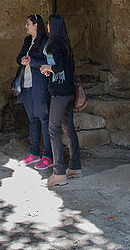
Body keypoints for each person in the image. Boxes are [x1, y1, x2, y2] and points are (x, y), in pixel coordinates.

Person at [40, 13, 81, 187]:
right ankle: (75, 167)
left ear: (53, 26)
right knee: (68, 128)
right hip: (68, 90)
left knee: (53, 129)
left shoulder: (55, 43)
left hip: (60, 93)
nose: (47, 27)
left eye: (49, 24)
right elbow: (67, 68)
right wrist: (52, 70)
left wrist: (47, 67)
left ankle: (58, 173)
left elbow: (60, 67)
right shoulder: (65, 43)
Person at [16, 14, 52, 169]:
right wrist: (22, 60)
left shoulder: (45, 41)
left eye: (28, 24)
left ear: (36, 25)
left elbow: (49, 63)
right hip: (26, 83)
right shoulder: (26, 41)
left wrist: (33, 62)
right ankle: (34, 154)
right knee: (32, 119)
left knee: (44, 119)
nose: (26, 26)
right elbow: (19, 57)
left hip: (40, 84)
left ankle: (48, 156)